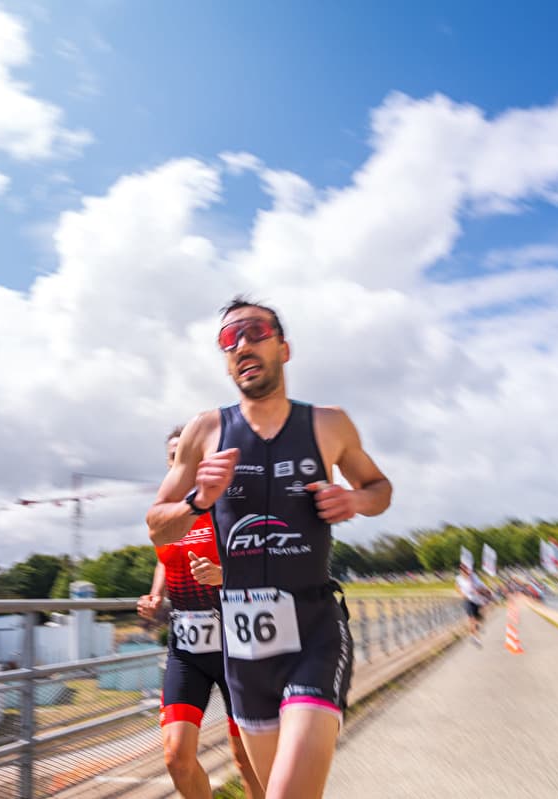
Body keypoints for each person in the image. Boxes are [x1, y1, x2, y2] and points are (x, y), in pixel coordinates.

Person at [147, 297, 392, 799]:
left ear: (284, 347)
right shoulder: (205, 431)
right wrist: (198, 501)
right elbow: (157, 526)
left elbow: (380, 489)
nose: (241, 344)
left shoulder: (328, 424)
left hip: (314, 634)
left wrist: (354, 499)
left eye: (254, 331)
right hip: (245, 649)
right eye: (228, 339)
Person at [137, 427, 262, 799]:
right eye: (176, 455)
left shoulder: (226, 505)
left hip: (237, 645)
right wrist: (155, 596)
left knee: (245, 759)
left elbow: (264, 561)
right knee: (177, 756)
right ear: (169, 464)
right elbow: (165, 559)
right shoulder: (166, 514)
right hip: (187, 645)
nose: (183, 461)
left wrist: (226, 575)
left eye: (190, 454)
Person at [456, 563, 487, 645]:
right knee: (471, 619)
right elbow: (457, 588)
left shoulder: (473, 576)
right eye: (461, 569)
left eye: (464, 569)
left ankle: (477, 626)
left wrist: (479, 590)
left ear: (467, 569)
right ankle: (475, 638)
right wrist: (462, 594)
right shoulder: (458, 578)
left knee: (480, 617)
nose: (463, 571)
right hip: (467, 600)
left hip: (476, 600)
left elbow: (481, 586)